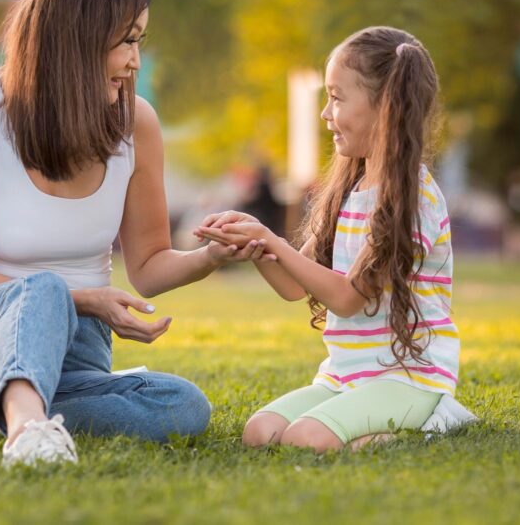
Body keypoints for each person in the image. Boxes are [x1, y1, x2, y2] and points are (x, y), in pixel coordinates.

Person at [0, 0, 272, 467]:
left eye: (139, 41)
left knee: (182, 406)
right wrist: (81, 298)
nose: (135, 61)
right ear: (79, 39)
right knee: (39, 289)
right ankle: (25, 433)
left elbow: (149, 266)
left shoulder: (137, 123)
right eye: (126, 41)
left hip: (76, 352)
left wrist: (211, 256)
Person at [197, 26, 470, 452]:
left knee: (305, 439)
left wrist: (275, 240)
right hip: (345, 375)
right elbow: (292, 285)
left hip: (408, 379)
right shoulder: (351, 189)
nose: (326, 113)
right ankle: (360, 425)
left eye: (337, 98)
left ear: (385, 109)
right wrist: (256, 245)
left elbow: (345, 298)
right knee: (261, 432)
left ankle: (431, 424)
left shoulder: (414, 200)